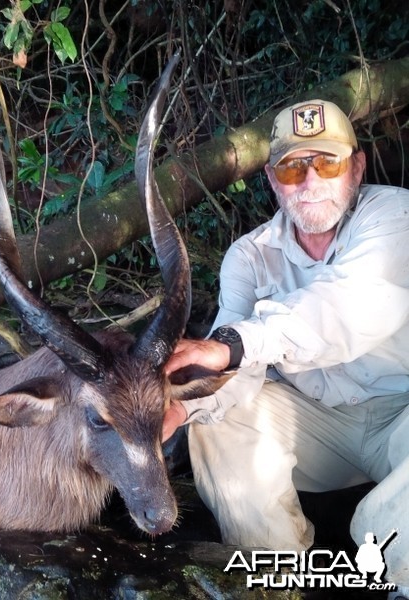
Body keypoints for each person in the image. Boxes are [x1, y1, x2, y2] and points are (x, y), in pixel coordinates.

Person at [163, 99, 409, 597]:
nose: (310, 181)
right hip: (319, 425)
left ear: (357, 168)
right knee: (212, 422)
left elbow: (346, 309)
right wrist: (175, 409)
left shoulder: (395, 215)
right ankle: (280, 582)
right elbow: (235, 375)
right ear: (273, 180)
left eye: (328, 162)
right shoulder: (249, 258)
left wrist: (231, 343)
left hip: (402, 414)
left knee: (380, 531)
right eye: (293, 167)